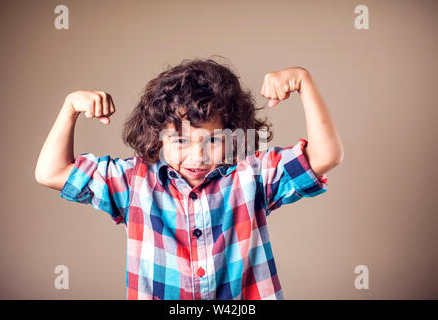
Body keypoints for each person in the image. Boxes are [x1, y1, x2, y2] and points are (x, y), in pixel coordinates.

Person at [35, 58, 344, 300]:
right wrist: (70, 108)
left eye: (213, 141)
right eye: (180, 141)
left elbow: (324, 157)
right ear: (157, 138)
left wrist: (304, 82)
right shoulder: (133, 182)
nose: (197, 157)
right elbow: (51, 172)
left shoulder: (252, 175)